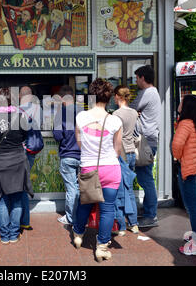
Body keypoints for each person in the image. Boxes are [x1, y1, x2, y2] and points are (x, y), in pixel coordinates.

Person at [72, 78, 122, 261]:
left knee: (85, 203)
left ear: (91, 97)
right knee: (108, 209)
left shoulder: (80, 117)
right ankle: (101, 247)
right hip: (110, 168)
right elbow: (118, 149)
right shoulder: (115, 120)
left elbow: (79, 143)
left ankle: (78, 235)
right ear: (109, 97)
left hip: (88, 167)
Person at [0, 87, 34, 244]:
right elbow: (26, 136)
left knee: (2, 199)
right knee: (17, 199)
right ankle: (14, 234)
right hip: (18, 160)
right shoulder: (21, 116)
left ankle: (4, 235)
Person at [172, 94, 196, 256]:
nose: (179, 104)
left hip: (190, 171)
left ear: (186, 107)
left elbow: (177, 144)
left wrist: (178, 156)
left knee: (192, 208)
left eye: (182, 102)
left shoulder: (185, 124)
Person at [129, 65, 161, 228]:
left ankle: (150, 215)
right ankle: (150, 212)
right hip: (149, 140)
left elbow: (130, 109)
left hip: (145, 142)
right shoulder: (152, 93)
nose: (136, 81)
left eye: (136, 78)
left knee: (146, 178)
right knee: (146, 177)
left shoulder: (147, 93)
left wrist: (136, 113)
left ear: (143, 78)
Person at [113, 85, 139, 235]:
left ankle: (121, 226)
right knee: (129, 189)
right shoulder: (134, 113)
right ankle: (134, 223)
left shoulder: (116, 114)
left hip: (121, 154)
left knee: (119, 191)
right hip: (131, 152)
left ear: (118, 96)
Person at [53, 85, 81, 226]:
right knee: (82, 187)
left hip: (68, 154)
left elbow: (57, 136)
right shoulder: (83, 112)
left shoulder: (61, 114)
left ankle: (71, 218)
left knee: (71, 188)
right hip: (83, 155)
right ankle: (81, 215)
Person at [18, 86, 43, 231]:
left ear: (20, 96)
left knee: (20, 185)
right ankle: (23, 218)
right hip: (32, 149)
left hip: (20, 150)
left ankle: (23, 219)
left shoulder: (16, 110)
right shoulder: (38, 109)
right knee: (24, 182)